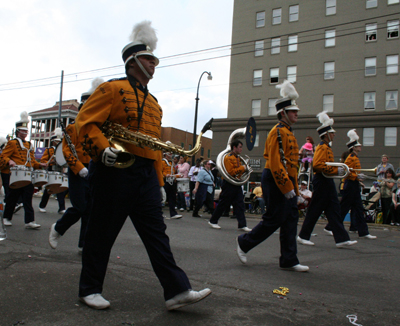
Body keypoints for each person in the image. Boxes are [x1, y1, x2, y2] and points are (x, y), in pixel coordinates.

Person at [75, 21, 210, 310]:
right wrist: (103, 150)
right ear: (133, 61)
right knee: (101, 231)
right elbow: (85, 124)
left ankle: (177, 290)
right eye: (149, 59)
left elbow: (154, 146)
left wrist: (160, 182)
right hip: (114, 170)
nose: (154, 64)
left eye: (154, 59)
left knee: (156, 233)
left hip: (146, 174)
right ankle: (89, 289)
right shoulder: (111, 89)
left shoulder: (156, 103)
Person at [236, 80, 309, 272]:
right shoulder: (277, 132)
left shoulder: (288, 132)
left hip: (285, 178)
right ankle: (244, 242)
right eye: (293, 111)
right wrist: (286, 187)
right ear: (283, 113)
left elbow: (291, 166)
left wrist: (294, 188)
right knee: (275, 218)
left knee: (291, 217)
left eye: (296, 111)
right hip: (275, 178)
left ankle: (289, 259)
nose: (296, 114)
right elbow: (277, 163)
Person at [48, 78, 103, 251]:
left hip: (94, 170)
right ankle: (58, 228)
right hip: (78, 171)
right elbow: (66, 151)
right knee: (80, 207)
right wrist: (79, 169)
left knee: (91, 209)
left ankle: (84, 244)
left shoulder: (99, 128)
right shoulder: (72, 128)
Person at [297, 112, 357, 248]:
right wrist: (337, 170)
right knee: (315, 209)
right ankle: (302, 236)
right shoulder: (322, 148)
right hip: (322, 181)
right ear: (326, 134)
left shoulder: (327, 147)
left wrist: (336, 170)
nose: (334, 134)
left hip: (327, 181)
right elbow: (317, 165)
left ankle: (341, 239)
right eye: (332, 132)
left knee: (334, 210)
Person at [326, 129, 376, 239]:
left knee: (358, 209)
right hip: (350, 185)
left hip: (354, 184)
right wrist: (356, 176)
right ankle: (330, 227)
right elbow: (346, 171)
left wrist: (358, 176)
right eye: (358, 145)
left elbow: (353, 171)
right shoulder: (350, 158)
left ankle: (363, 232)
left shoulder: (355, 157)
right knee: (344, 208)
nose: (360, 146)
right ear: (353, 147)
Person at [0, 112, 46, 228]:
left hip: (27, 175)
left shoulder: (29, 145)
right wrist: (9, 161)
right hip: (16, 174)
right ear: (18, 131)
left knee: (28, 199)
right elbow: (3, 156)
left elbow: (31, 162)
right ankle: (6, 217)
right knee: (12, 197)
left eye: (26, 131)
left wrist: (40, 165)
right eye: (23, 131)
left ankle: (30, 221)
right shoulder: (12, 143)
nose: (25, 133)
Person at [207, 139, 251, 232]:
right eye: (240, 147)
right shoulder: (228, 158)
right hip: (229, 184)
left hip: (236, 183)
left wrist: (244, 171)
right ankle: (213, 221)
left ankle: (242, 224)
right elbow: (231, 172)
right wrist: (243, 168)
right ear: (234, 147)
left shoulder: (238, 158)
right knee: (223, 203)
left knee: (240, 204)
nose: (241, 149)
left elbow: (237, 172)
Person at [38, 128, 67, 214]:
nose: (58, 142)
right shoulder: (48, 150)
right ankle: (42, 206)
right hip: (51, 172)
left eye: (59, 141)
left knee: (60, 190)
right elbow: (43, 161)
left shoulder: (62, 151)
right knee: (48, 190)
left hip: (59, 172)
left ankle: (61, 208)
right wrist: (51, 162)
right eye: (56, 141)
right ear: (53, 141)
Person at [162, 152, 182, 219]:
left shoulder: (171, 162)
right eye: (169, 153)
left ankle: (173, 213)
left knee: (172, 197)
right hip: (165, 181)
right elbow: (161, 171)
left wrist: (177, 175)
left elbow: (173, 172)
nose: (171, 155)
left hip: (172, 181)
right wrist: (165, 175)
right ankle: (159, 213)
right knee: (162, 197)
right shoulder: (162, 161)